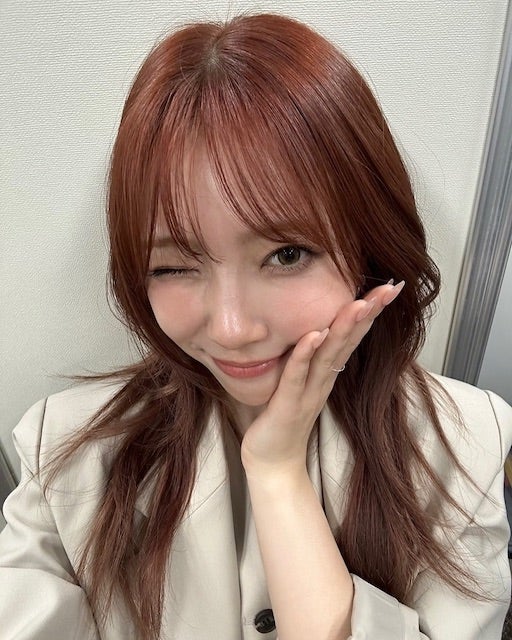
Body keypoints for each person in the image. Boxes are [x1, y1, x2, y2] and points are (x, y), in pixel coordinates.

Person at [0, 12, 511, 640]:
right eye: (175, 266)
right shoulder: (65, 453)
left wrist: (278, 473)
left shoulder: (465, 446)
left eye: (286, 255)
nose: (232, 328)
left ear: (368, 249)